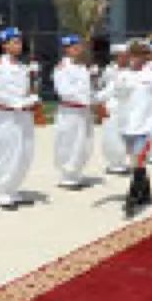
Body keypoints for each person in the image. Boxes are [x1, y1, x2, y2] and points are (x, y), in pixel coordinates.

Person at [101, 39, 152, 216]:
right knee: (137, 162)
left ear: (146, 56)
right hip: (127, 127)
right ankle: (146, 192)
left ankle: (132, 199)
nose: (135, 58)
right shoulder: (123, 75)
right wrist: (89, 100)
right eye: (133, 54)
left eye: (139, 54)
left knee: (137, 161)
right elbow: (109, 91)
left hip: (145, 127)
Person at [0, 27, 39, 209]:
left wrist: (31, 99)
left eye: (19, 41)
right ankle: (3, 193)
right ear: (4, 45)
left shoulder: (23, 67)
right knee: (7, 154)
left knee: (24, 154)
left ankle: (14, 189)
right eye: (15, 41)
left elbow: (26, 90)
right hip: (6, 116)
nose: (19, 44)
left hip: (23, 117)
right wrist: (18, 102)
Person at [53, 34, 101, 189]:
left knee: (84, 143)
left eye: (79, 47)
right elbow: (64, 91)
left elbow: (89, 89)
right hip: (70, 111)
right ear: (67, 49)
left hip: (84, 112)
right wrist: (86, 100)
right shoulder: (62, 68)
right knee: (69, 142)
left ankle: (76, 172)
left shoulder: (82, 67)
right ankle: (67, 176)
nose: (78, 49)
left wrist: (94, 99)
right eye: (74, 47)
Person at [101, 43, 131, 174]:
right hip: (112, 107)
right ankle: (114, 163)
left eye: (126, 56)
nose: (124, 59)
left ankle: (122, 162)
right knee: (111, 136)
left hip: (127, 107)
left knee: (125, 135)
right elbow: (103, 87)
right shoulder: (109, 70)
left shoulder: (132, 71)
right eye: (121, 56)